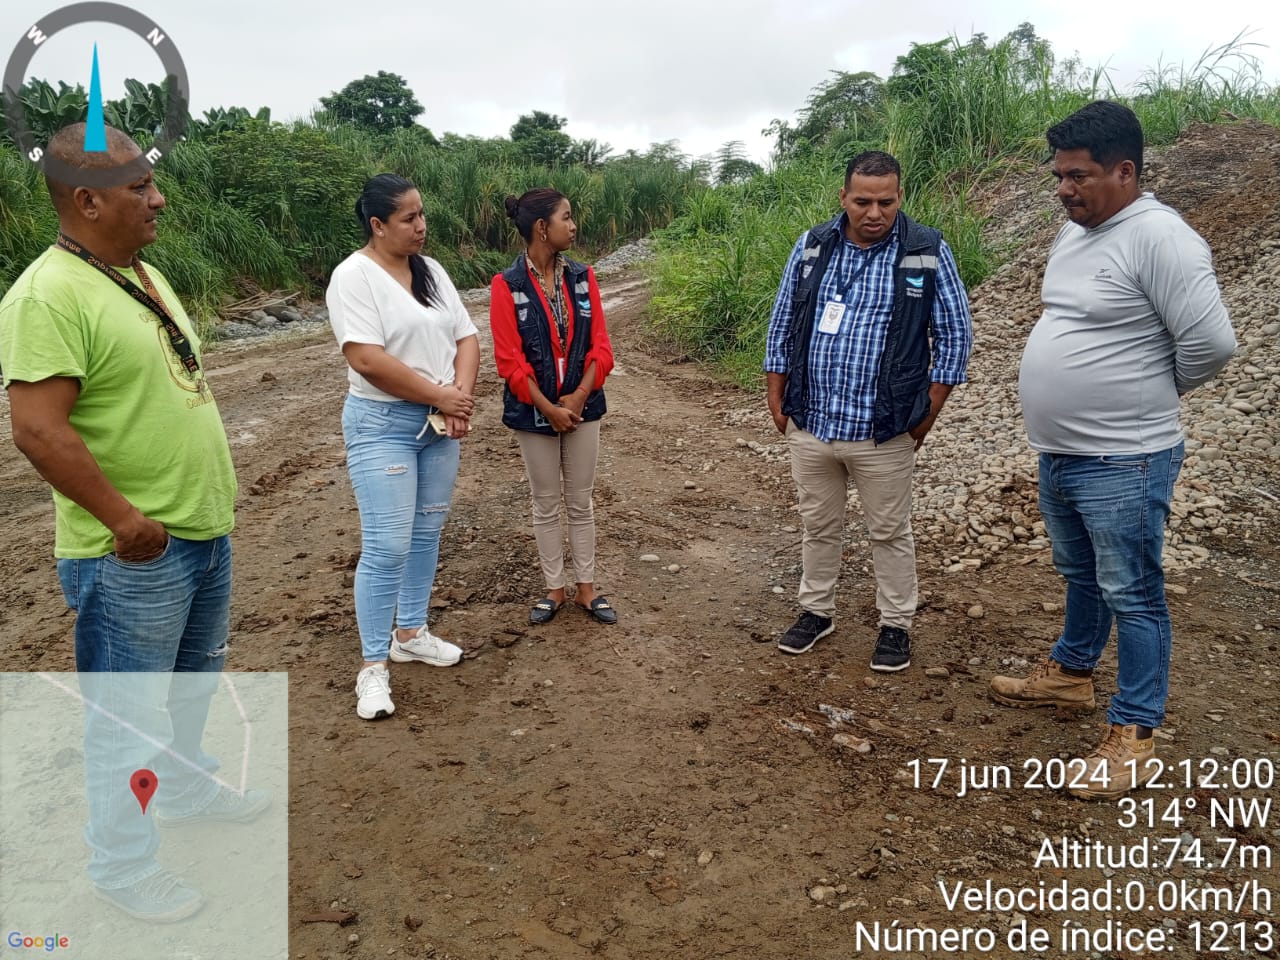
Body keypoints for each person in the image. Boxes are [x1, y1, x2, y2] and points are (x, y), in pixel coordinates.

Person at [0, 123, 268, 922]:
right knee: (128, 721)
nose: (160, 199)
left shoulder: (139, 274)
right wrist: (124, 521)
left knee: (187, 691)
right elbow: (38, 429)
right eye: (140, 187)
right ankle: (122, 866)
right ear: (87, 201)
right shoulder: (46, 296)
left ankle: (182, 789)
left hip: (197, 535)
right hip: (134, 556)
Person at [990, 101, 1236, 799]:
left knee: (1134, 592)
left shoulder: (1162, 238)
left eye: (1079, 176)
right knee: (1081, 573)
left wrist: (1148, 390)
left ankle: (1135, 734)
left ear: (1125, 171)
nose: (1065, 190)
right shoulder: (1076, 233)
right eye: (1060, 176)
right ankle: (1071, 674)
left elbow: (1212, 344)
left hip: (1125, 456)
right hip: (1063, 451)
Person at [765, 150, 973, 669]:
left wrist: (927, 413)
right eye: (862, 201)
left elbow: (955, 335)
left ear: (900, 197)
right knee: (818, 525)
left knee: (889, 531)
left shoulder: (926, 250)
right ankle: (816, 611)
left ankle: (896, 625)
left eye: (886, 201)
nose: (874, 213)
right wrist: (776, 394)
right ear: (843, 197)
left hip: (884, 428)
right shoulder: (813, 246)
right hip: (813, 421)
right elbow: (783, 319)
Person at [327, 173, 480, 721]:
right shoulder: (354, 277)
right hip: (382, 424)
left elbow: (466, 336)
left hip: (438, 424)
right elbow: (366, 358)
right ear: (377, 224)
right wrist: (441, 396)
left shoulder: (430, 270)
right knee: (387, 545)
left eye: (422, 214)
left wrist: (457, 398)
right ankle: (373, 666)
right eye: (409, 218)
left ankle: (411, 633)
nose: (421, 226)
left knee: (426, 533)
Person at [489, 188, 617, 625]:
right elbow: (510, 361)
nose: (573, 225)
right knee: (545, 502)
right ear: (542, 227)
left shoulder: (583, 277)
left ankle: (586, 589)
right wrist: (548, 407)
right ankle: (554, 589)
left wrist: (578, 397)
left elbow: (601, 346)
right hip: (533, 411)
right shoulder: (507, 286)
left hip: (583, 407)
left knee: (580, 501)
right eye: (566, 217)